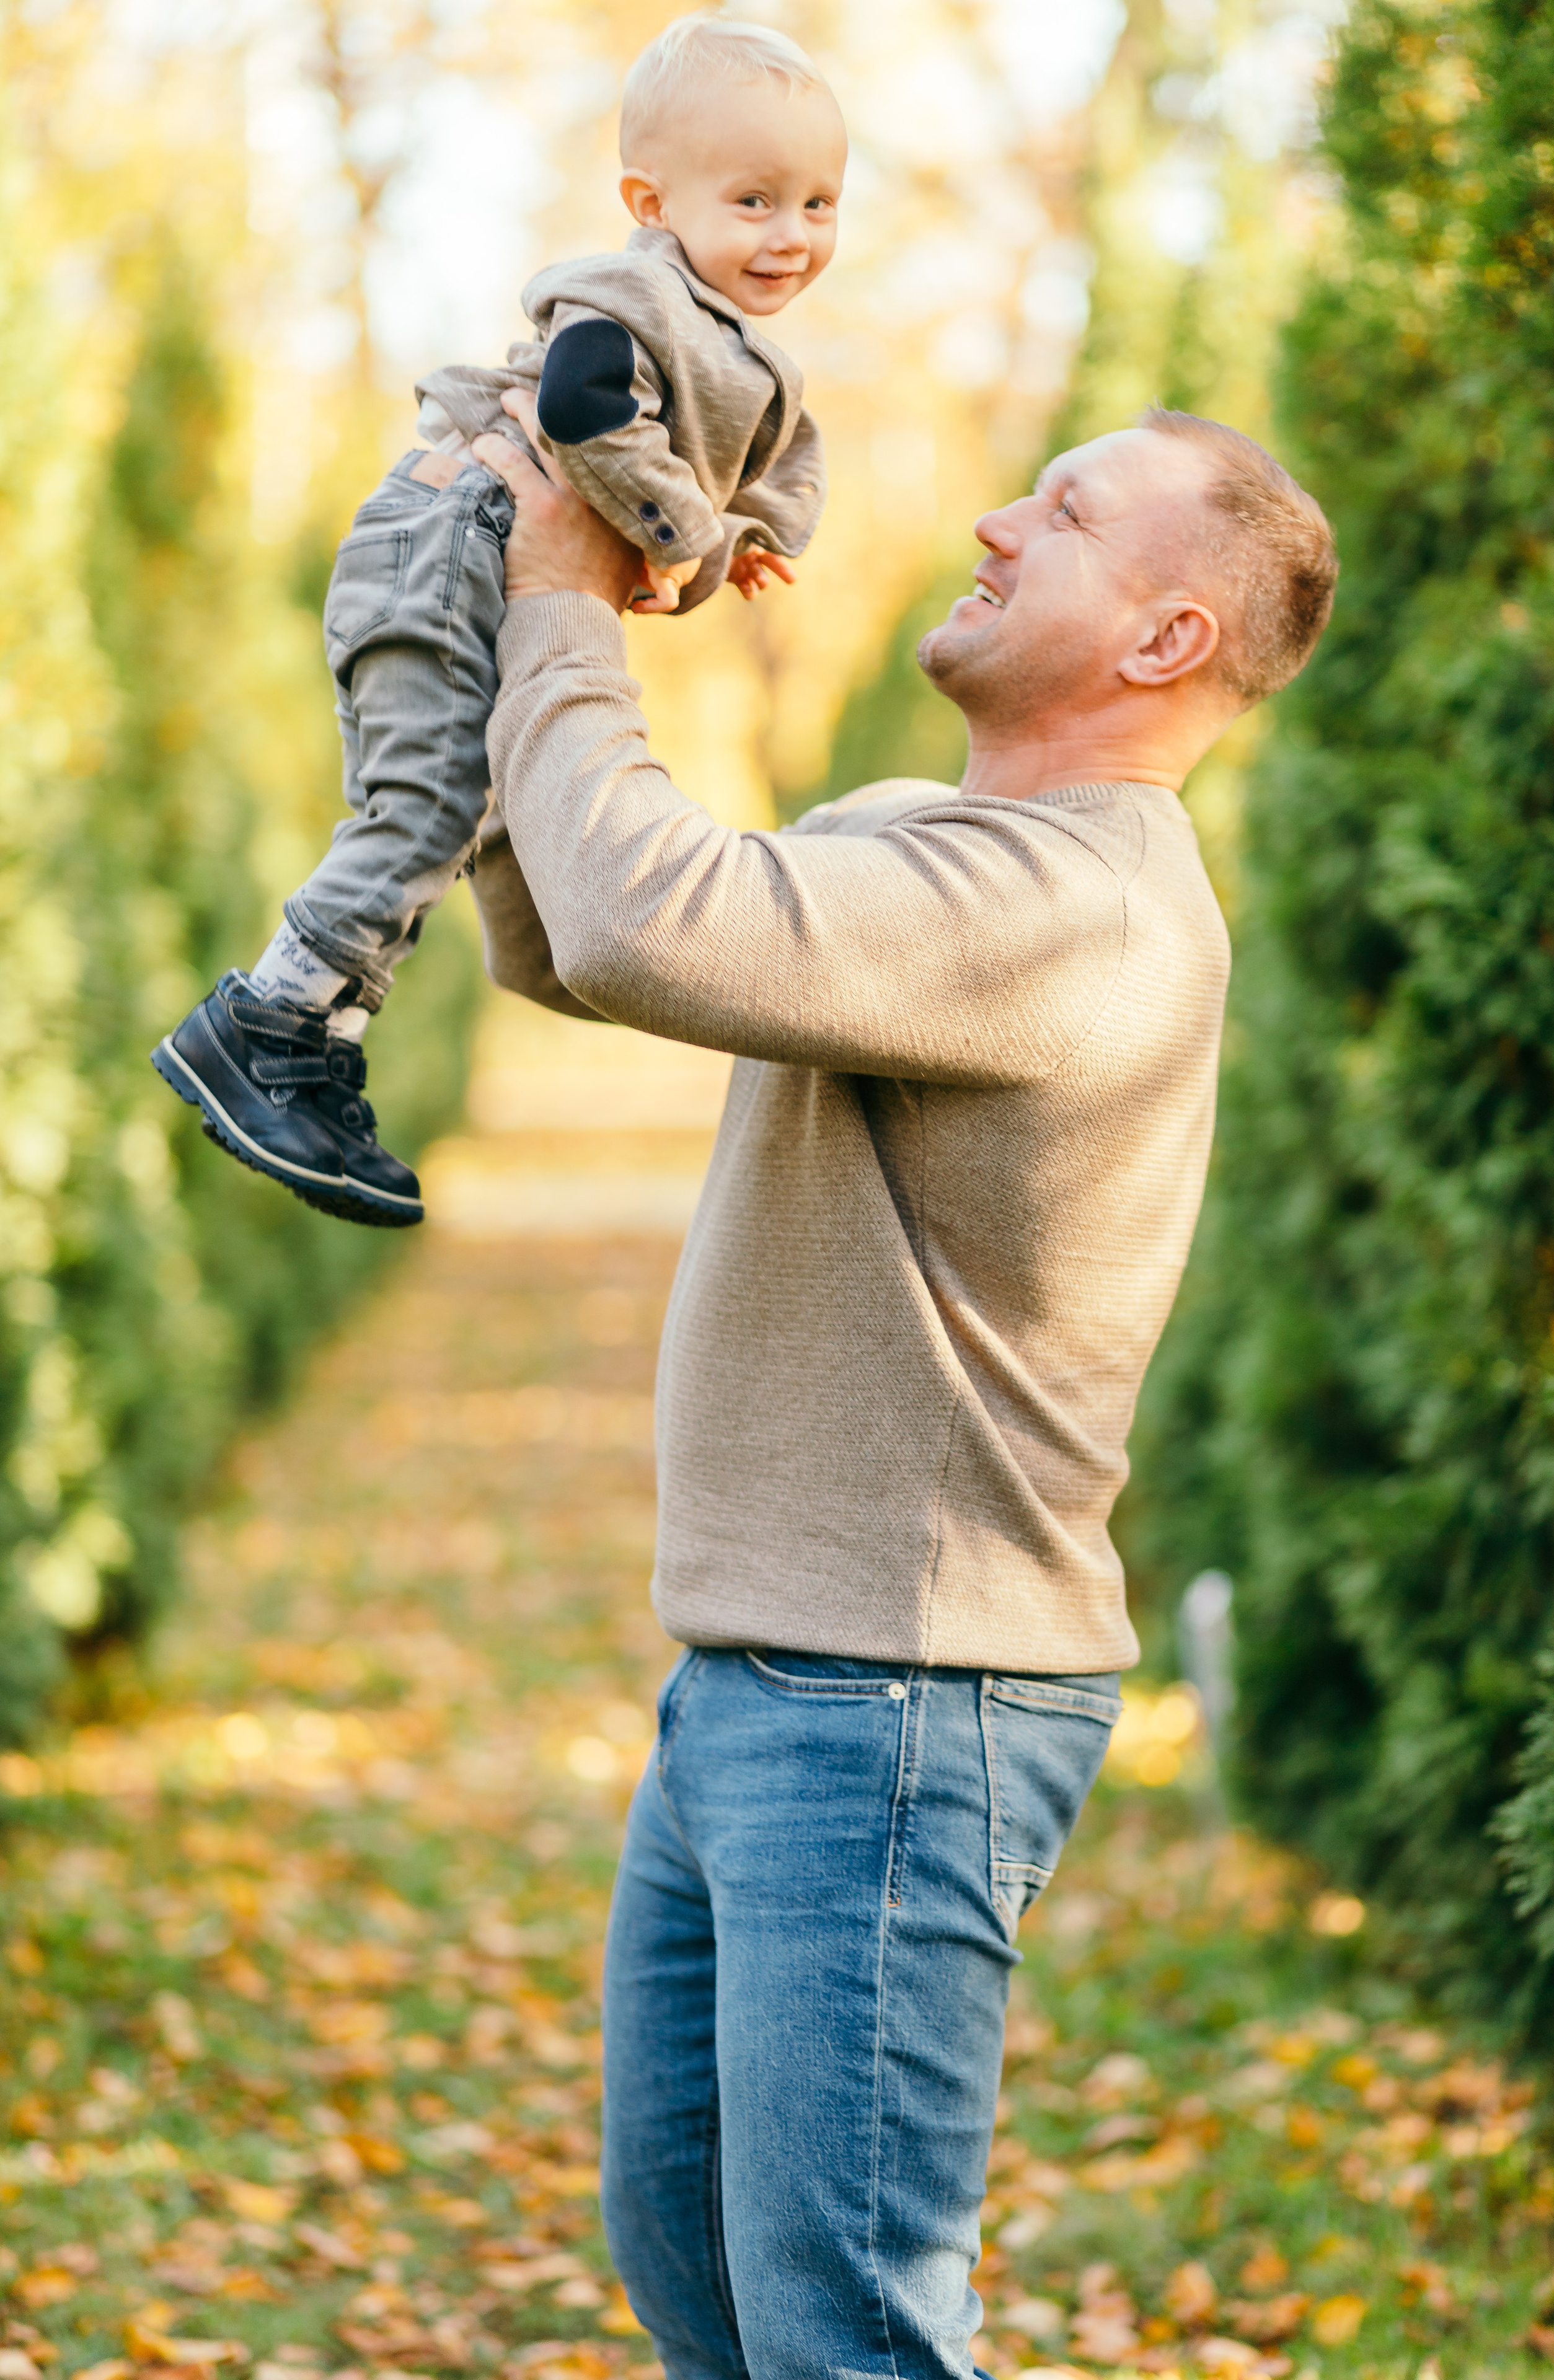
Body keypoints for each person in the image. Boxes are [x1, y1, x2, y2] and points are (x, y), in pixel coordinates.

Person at [467, 399, 1338, 2380]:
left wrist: (560, 611)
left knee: (845, 2330)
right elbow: (583, 942)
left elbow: (645, 911)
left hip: (901, 1705)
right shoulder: (929, 848)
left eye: (1068, 510)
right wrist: (485, 629)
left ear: (1168, 640)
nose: (992, 517)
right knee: (699, 2274)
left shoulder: (1081, 910)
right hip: (771, 1680)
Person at [149, 14, 844, 1227]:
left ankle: (317, 1045)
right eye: (753, 201)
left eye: (818, 204)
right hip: (439, 550)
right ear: (651, 198)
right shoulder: (626, 294)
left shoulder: (733, 345)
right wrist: (687, 533)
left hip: (476, 570)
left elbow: (727, 468)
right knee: (419, 805)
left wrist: (732, 543)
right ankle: (261, 1024)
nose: (789, 235)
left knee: (469, 812)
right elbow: (581, 411)